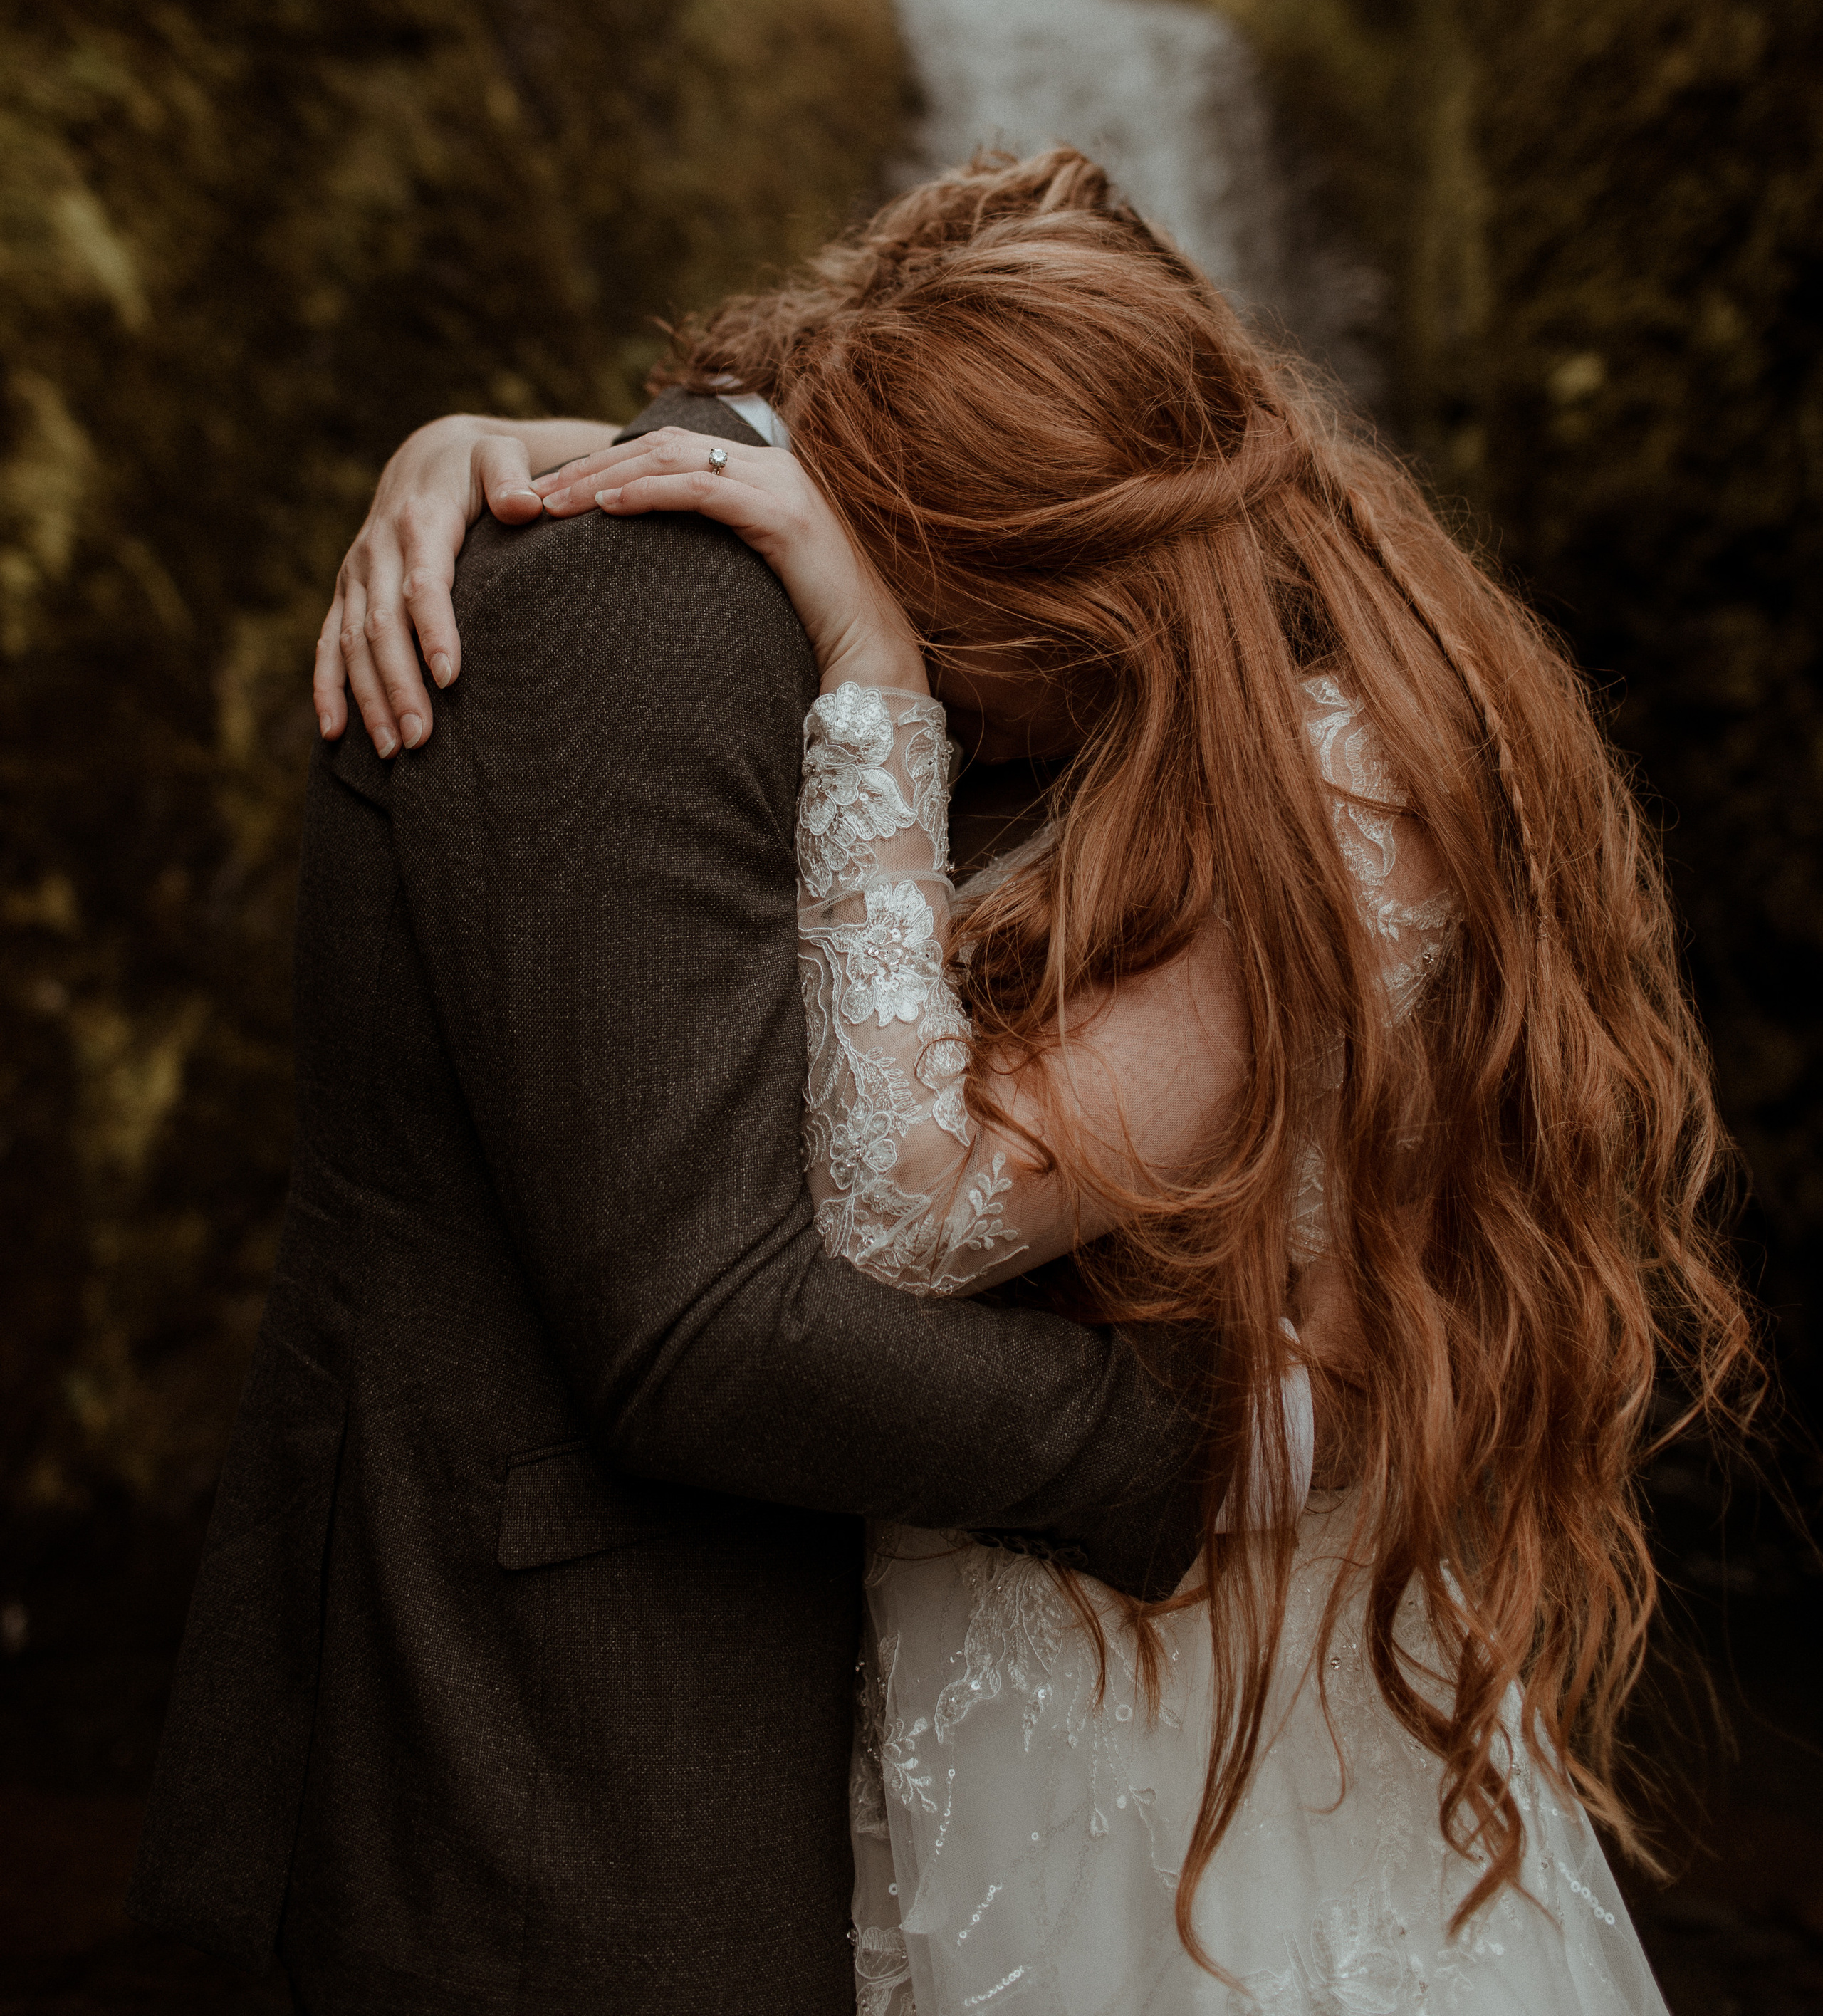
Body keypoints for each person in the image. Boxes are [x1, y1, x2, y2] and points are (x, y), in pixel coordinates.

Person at [300, 150, 1750, 2010]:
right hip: (969, 1672)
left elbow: (902, 1207)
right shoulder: (1179, 715)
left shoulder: (1342, 789)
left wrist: (870, 670)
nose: (972, 695)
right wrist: (508, 460)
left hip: (1162, 1697)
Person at [125, 161, 1228, 2015]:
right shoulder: (640, 612)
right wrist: (1199, 1458)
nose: (1125, 683)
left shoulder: (782, 597)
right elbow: (703, 1332)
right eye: (1105, 604)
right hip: (531, 1749)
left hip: (697, 1702)